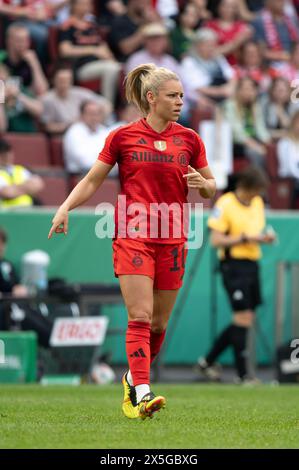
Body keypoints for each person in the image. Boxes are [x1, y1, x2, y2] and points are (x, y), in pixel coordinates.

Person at [48, 63, 216, 420]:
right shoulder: (122, 136)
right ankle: (142, 391)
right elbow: (93, 180)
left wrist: (206, 186)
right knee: (139, 316)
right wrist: (64, 208)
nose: (180, 101)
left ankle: (131, 379)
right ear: (151, 97)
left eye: (182, 96)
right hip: (133, 235)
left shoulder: (189, 139)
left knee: (158, 324)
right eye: (173, 96)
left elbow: (212, 183)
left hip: (173, 237)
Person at [195, 166, 276, 383]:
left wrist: (262, 238)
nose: (257, 195)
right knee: (242, 317)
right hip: (233, 265)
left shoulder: (257, 203)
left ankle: (207, 361)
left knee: (245, 317)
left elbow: (255, 232)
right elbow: (216, 240)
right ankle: (243, 375)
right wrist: (245, 238)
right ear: (245, 186)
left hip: (252, 263)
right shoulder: (226, 203)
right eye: (255, 190)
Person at [63, 100, 110, 173]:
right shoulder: (74, 131)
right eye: (91, 114)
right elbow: (84, 162)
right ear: (82, 115)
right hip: (81, 176)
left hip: (105, 174)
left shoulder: (104, 131)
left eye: (97, 114)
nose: (94, 117)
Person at [0, 139, 44, 208]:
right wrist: (27, 187)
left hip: (28, 210)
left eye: (8, 152)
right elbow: (7, 193)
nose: (7, 156)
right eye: (3, 153)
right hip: (4, 214)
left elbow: (38, 185)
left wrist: (14, 189)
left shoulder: (21, 169)